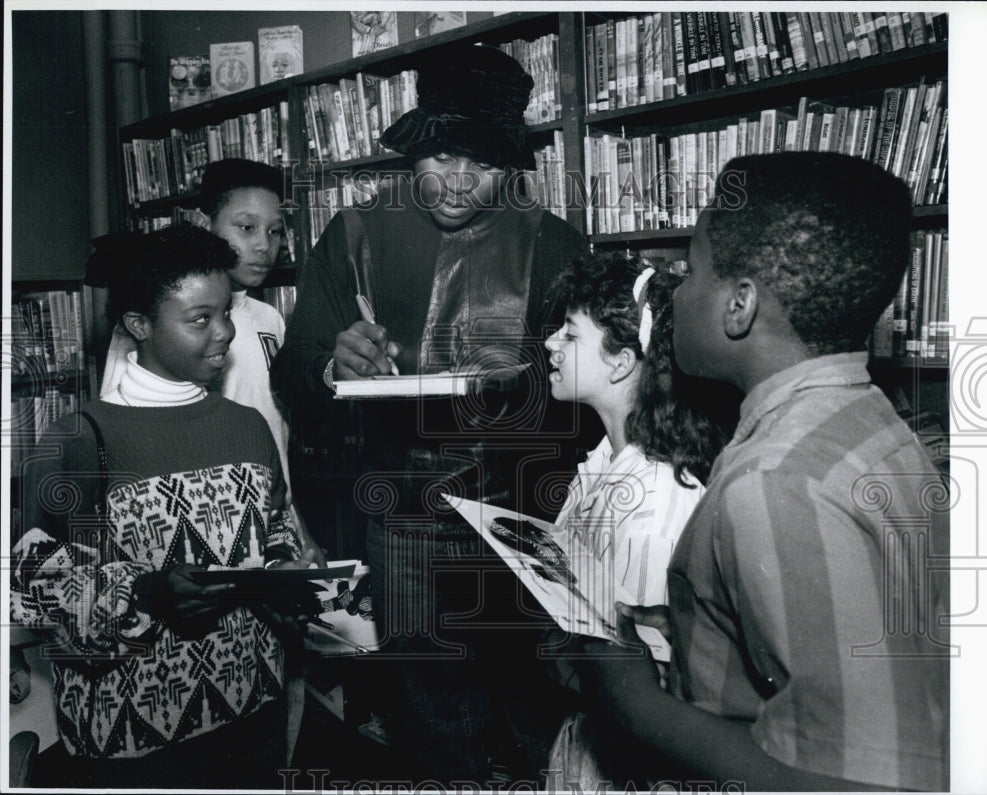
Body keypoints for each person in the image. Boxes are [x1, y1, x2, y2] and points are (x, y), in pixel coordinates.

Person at [565, 153, 949, 791]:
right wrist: (702, 629)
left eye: (690, 272)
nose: (676, 292)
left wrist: (633, 702)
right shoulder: (867, 419)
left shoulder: (775, 481)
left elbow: (856, 781)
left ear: (738, 306)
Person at [271, 43, 592, 784]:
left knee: (527, 696)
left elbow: (589, 408)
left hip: (519, 504)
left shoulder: (554, 244)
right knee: (423, 699)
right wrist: (332, 361)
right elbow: (294, 372)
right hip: (400, 515)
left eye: (478, 164)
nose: (455, 182)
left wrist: (527, 390)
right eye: (440, 158)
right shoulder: (354, 234)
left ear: (510, 165)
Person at [11, 225, 314, 789]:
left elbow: (275, 535)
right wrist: (146, 594)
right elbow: (34, 591)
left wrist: (290, 586)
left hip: (251, 715)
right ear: (140, 325)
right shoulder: (78, 440)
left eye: (225, 312)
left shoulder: (247, 426)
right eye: (200, 318)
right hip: (131, 737)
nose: (224, 332)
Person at [542, 254, 735, 790]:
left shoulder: (654, 502)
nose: (550, 344)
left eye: (570, 334)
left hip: (627, 754)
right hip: (591, 728)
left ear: (623, 362)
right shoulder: (605, 461)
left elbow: (648, 678)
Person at [99, 158, 325, 564]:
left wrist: (297, 527)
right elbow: (120, 441)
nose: (263, 245)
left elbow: (277, 438)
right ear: (205, 223)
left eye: (275, 231)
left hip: (267, 523)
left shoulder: (269, 319)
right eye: (246, 227)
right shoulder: (159, 324)